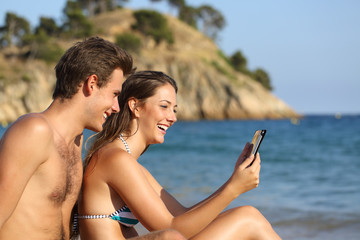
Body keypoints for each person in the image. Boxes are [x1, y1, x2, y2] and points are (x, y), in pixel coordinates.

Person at [0, 37, 185, 240]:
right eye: (114, 94)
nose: (116, 106)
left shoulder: (74, 142)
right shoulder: (33, 130)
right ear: (92, 84)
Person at [78, 71, 282, 240]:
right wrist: (233, 189)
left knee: (247, 216)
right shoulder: (116, 159)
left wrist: (233, 181)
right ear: (135, 107)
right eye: (164, 106)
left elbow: (180, 215)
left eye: (174, 109)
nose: (173, 117)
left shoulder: (126, 161)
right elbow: (172, 228)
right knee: (249, 218)